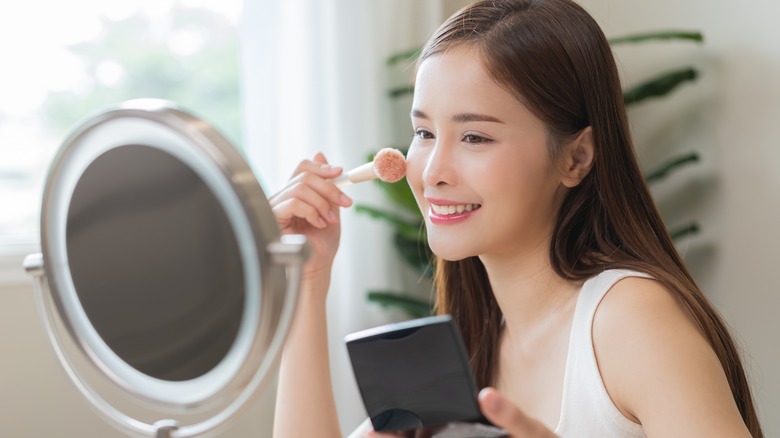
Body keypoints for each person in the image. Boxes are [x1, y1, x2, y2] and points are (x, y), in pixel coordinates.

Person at [270, 0, 763, 436]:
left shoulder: (628, 318)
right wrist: (304, 279)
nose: (433, 172)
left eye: (475, 137)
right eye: (423, 133)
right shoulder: (468, 344)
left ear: (576, 157)